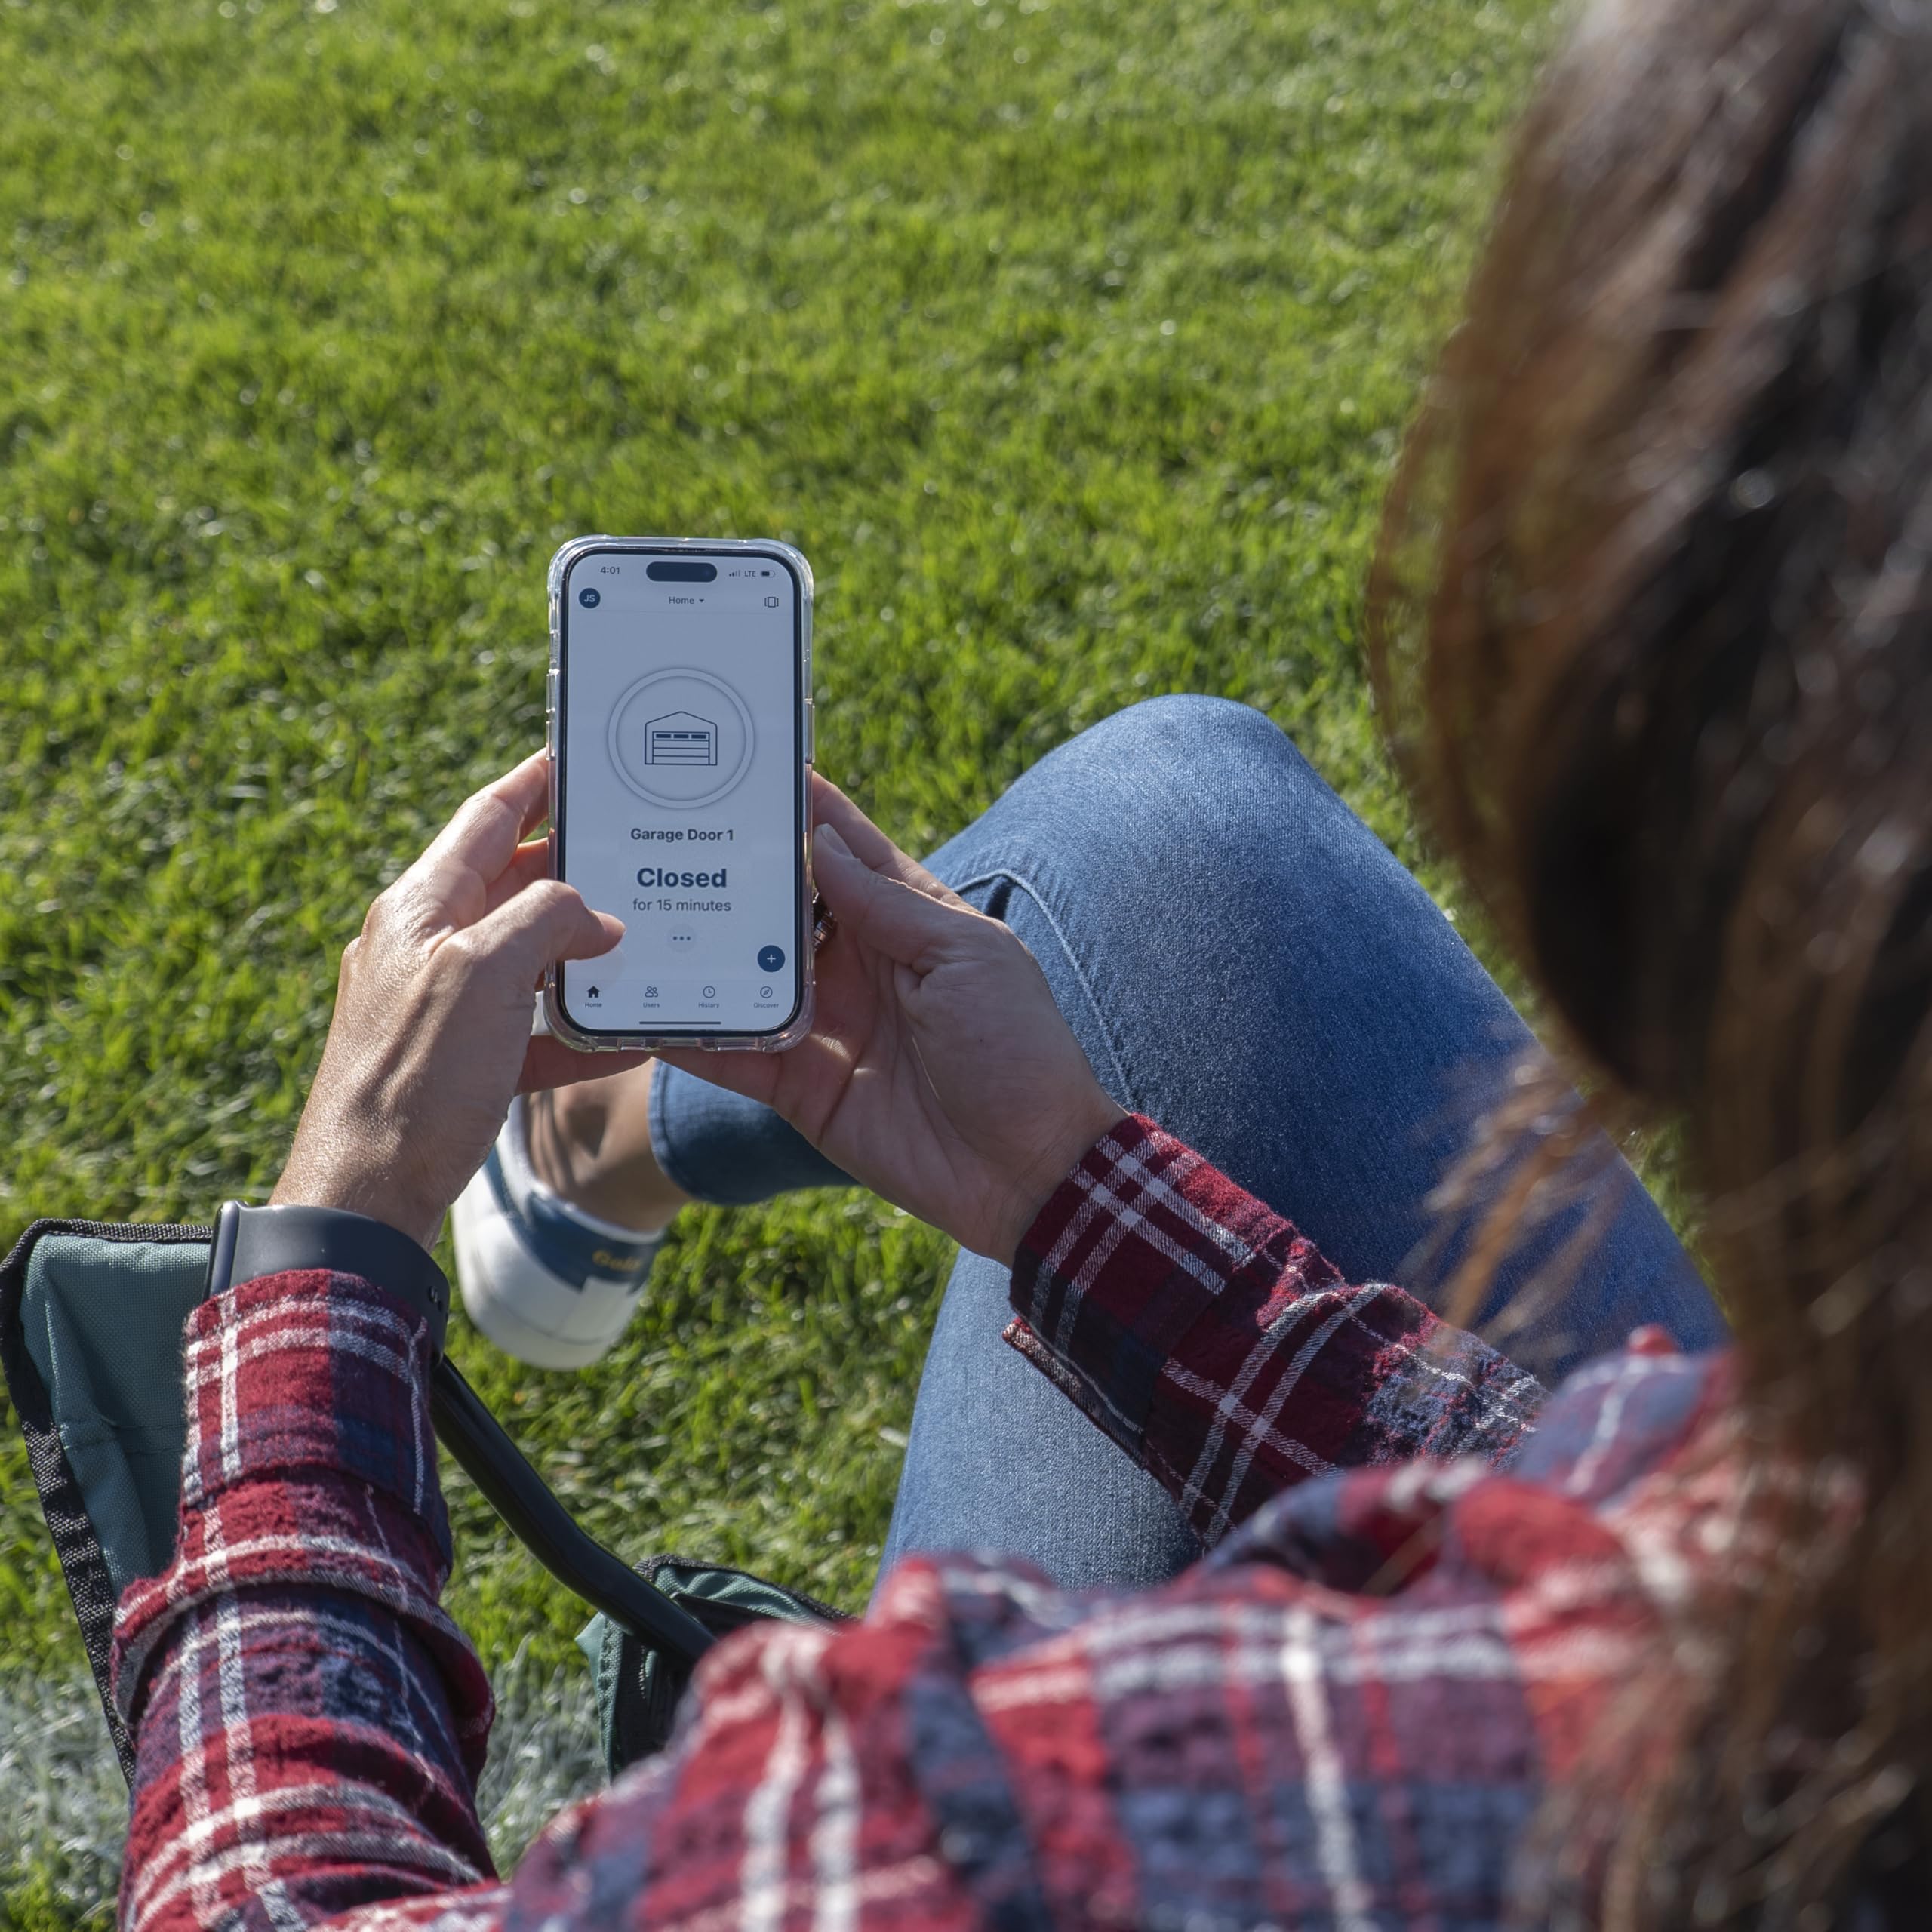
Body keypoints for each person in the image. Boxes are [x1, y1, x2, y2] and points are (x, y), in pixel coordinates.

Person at [109, 0, 1932, 1927]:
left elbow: (269, 1905)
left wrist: (330, 1242)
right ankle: (599, 1150)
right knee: (1169, 832)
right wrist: (1076, 1196)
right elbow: (1584, 1507)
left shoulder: (1021, 1816)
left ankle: (574, 1154)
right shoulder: (1802, 1532)